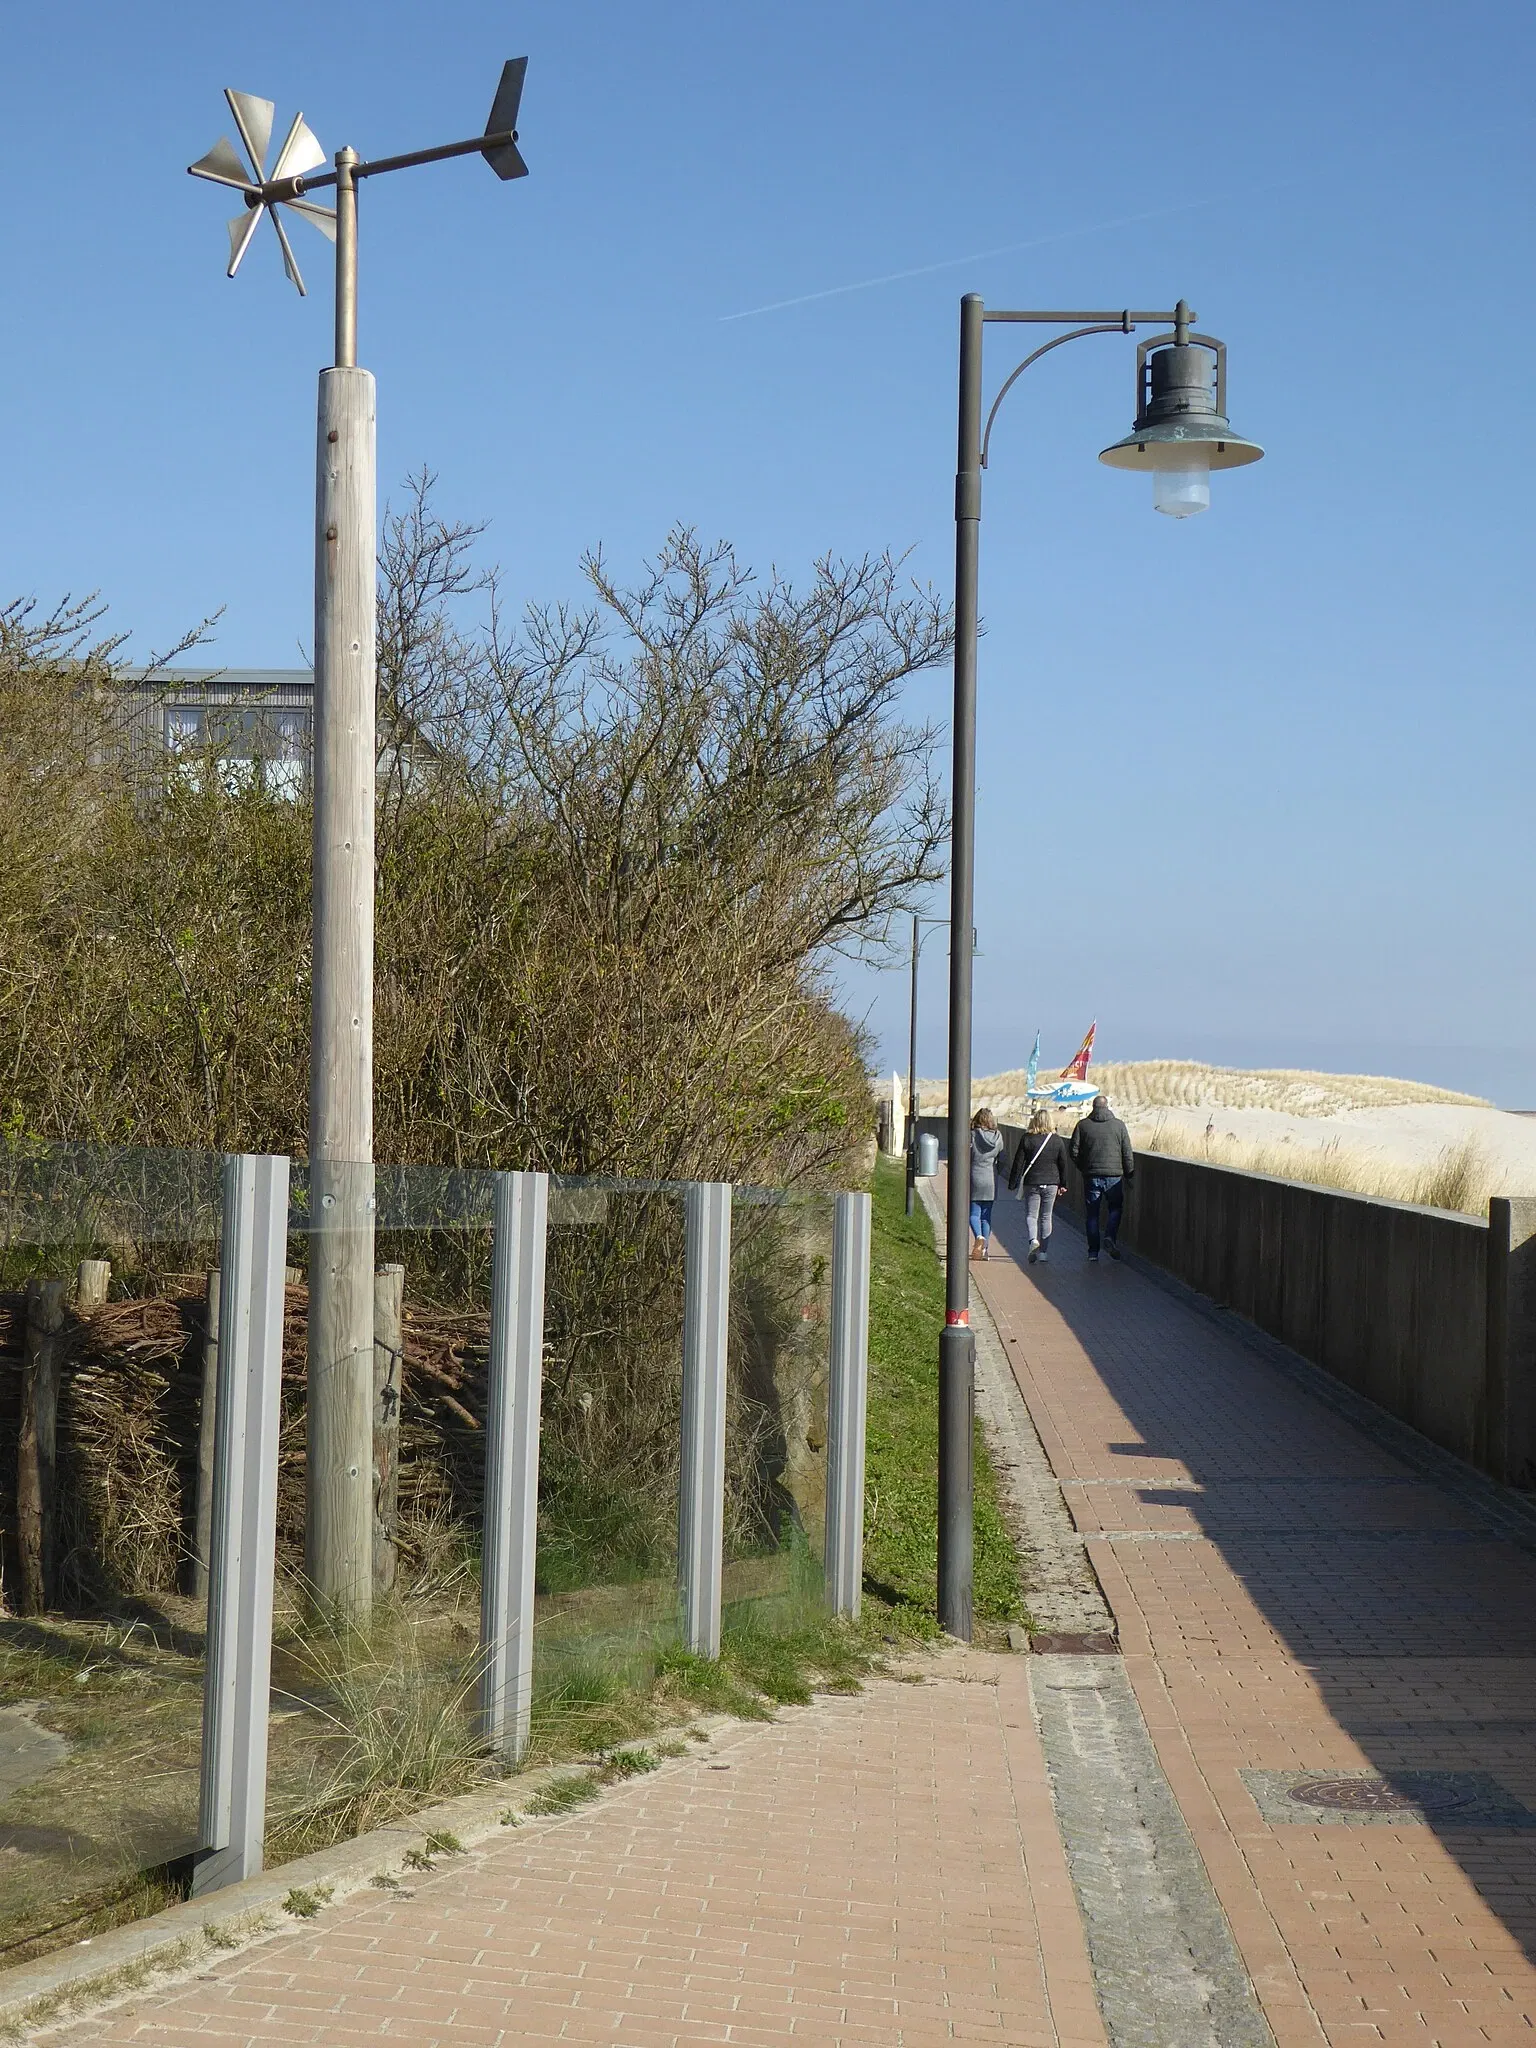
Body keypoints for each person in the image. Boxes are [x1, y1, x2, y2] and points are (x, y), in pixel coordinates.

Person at [1070, 1093, 1135, 1263]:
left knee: (1092, 1214)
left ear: (1093, 1107)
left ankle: (1093, 1252)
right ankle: (1110, 1236)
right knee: (1115, 1208)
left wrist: (1084, 1167)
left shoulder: (1083, 1125)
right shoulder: (1119, 1126)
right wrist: (1129, 1174)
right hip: (1114, 1176)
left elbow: (1073, 1151)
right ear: (1107, 1107)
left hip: (1091, 1176)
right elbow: (1127, 1153)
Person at [1008, 1110, 1069, 1265]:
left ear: (1034, 1121)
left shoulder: (1027, 1139)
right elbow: (1063, 1164)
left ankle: (1033, 1240)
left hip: (1032, 1182)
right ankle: (1043, 1253)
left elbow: (1018, 1162)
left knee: (1031, 1215)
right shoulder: (1057, 1140)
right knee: (1046, 1216)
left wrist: (1013, 1182)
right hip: (1051, 1182)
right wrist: (1063, 1184)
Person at [969, 1108, 1003, 1261]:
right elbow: (1003, 1159)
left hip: (975, 1176)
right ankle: (985, 1250)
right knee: (986, 1216)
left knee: (973, 1214)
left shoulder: (972, 1135)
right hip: (991, 1178)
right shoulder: (998, 1137)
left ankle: (979, 1237)